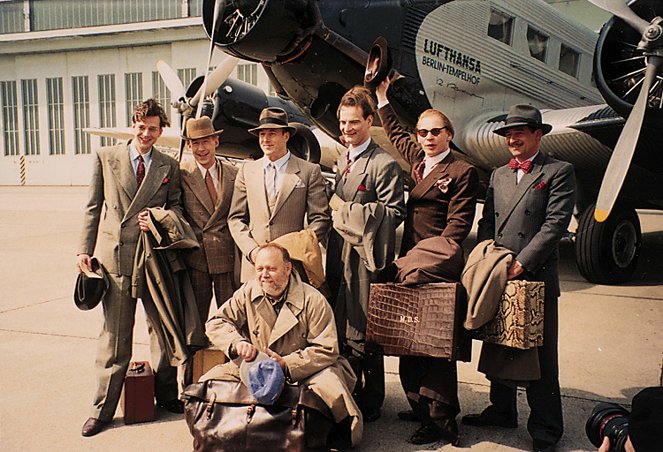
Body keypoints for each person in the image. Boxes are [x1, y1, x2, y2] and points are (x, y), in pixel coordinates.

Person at [461, 104, 576, 452]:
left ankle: (545, 429)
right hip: (500, 272)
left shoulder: (558, 170)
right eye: (508, 133)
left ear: (537, 135)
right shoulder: (497, 174)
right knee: (500, 343)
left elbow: (555, 224)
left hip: (535, 276)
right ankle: (502, 410)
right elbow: (488, 224)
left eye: (520, 132)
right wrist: (488, 257)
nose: (512, 138)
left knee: (541, 354)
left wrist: (521, 263)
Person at [375, 79, 479, 444]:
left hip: (433, 265)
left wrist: (419, 260)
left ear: (449, 134)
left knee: (434, 348)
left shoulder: (462, 171)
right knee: (407, 341)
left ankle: (440, 421)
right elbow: (394, 130)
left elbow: (458, 227)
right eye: (423, 132)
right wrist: (382, 98)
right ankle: (420, 408)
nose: (428, 137)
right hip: (411, 266)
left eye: (436, 131)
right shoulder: (419, 161)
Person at [76, 99, 185, 437]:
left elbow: (177, 207)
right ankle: (103, 409)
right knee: (114, 337)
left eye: (153, 128)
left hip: (153, 259)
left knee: (162, 332)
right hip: (116, 261)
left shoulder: (169, 165)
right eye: (141, 127)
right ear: (132, 125)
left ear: (161, 130)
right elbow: (93, 207)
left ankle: (168, 395)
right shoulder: (106, 158)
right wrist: (84, 251)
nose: (146, 134)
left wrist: (158, 217)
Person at [202, 243, 363, 447]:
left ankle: (329, 437)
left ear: (288, 269)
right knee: (209, 382)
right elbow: (216, 322)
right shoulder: (248, 291)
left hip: (305, 369)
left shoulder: (313, 300)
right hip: (256, 365)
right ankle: (226, 432)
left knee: (331, 389)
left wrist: (286, 364)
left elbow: (327, 350)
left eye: (271, 268)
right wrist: (237, 343)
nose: (263, 275)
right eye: (259, 269)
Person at [326, 85, 406, 422]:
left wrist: (347, 213)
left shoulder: (383, 163)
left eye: (354, 123)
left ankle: (372, 399)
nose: (347, 129)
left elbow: (395, 211)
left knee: (365, 324)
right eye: (343, 123)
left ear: (369, 121)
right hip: (337, 253)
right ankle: (351, 386)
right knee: (342, 320)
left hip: (364, 254)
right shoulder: (343, 157)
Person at [228, 107, 330, 283]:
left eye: (272, 133)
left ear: (286, 136)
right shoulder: (246, 171)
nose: (266, 139)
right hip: (255, 268)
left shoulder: (309, 171)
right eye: (262, 134)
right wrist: (253, 251)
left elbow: (321, 219)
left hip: (293, 267)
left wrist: (295, 248)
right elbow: (235, 219)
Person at [180, 116, 238, 324]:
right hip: (196, 260)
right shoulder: (181, 175)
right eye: (195, 143)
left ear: (216, 141)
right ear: (188, 145)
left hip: (228, 259)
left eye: (205, 141)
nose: (201, 148)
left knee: (233, 320)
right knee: (194, 324)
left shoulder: (234, 173)